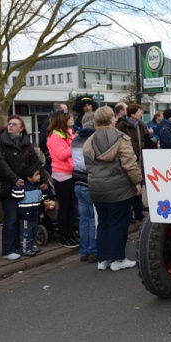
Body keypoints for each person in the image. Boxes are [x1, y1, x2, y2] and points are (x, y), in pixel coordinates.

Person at [83, 106, 142, 271]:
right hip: (118, 187)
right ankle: (118, 259)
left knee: (103, 223)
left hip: (96, 187)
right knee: (118, 223)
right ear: (112, 119)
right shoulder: (121, 138)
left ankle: (103, 259)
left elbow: (87, 165)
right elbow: (130, 163)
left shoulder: (89, 141)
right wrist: (137, 182)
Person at [0, 115, 48, 260]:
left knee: (22, 216)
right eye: (9, 124)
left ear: (21, 128)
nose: (10, 126)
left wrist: (42, 179)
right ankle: (8, 250)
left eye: (14, 124)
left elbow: (36, 162)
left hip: (23, 185)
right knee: (11, 217)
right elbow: (0, 163)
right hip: (7, 185)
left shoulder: (26, 142)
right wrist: (14, 178)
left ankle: (20, 245)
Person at [46, 109, 78, 248]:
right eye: (68, 118)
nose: (71, 120)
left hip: (72, 172)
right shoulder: (54, 137)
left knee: (71, 206)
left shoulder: (69, 133)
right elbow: (61, 155)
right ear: (62, 120)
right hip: (62, 174)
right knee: (64, 207)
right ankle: (64, 236)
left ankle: (70, 233)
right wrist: (75, 144)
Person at [116, 103, 150, 222]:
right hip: (127, 158)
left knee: (139, 186)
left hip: (139, 158)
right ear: (132, 114)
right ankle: (129, 215)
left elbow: (145, 138)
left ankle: (139, 213)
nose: (141, 114)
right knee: (129, 187)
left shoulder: (140, 124)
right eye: (139, 112)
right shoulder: (121, 125)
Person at [71, 111, 98, 263]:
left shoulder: (75, 140)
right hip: (90, 182)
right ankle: (93, 251)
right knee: (93, 219)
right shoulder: (93, 139)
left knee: (84, 220)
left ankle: (83, 251)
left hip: (78, 183)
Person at [11, 166, 44, 256]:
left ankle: (31, 245)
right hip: (25, 215)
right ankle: (25, 248)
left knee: (33, 231)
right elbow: (15, 195)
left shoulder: (37, 187)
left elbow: (40, 199)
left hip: (34, 214)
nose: (39, 176)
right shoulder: (23, 188)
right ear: (29, 178)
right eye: (36, 175)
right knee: (26, 232)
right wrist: (19, 187)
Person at [39, 103, 68, 173]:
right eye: (64, 111)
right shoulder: (48, 124)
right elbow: (42, 142)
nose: (66, 114)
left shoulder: (64, 124)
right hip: (53, 162)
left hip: (65, 161)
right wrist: (50, 154)